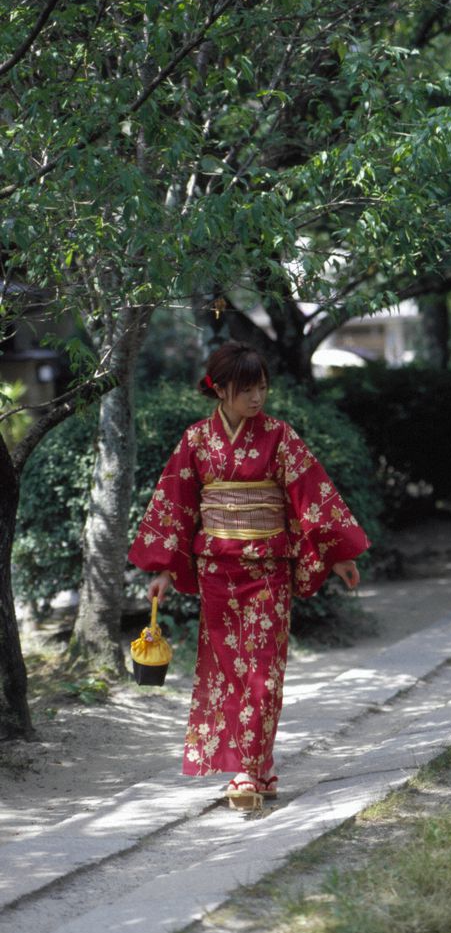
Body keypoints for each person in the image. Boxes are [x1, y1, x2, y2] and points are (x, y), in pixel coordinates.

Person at [128, 341, 370, 810]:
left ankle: (248, 771)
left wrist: (338, 553)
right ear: (219, 389)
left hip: (268, 570)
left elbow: (309, 493)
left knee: (262, 671)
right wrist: (161, 569)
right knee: (226, 671)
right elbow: (175, 503)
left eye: (262, 388)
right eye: (246, 390)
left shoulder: (280, 436)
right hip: (217, 569)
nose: (257, 399)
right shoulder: (196, 440)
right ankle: (258, 769)